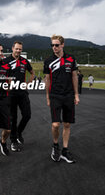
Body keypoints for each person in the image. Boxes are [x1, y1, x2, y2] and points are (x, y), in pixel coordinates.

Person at [44, 34, 80, 163]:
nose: (54, 47)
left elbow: (74, 77)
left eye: (56, 45)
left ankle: (65, 150)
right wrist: (47, 97)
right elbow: (47, 80)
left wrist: (76, 94)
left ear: (62, 45)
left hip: (69, 95)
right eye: (52, 45)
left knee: (67, 124)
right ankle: (55, 146)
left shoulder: (71, 59)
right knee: (55, 124)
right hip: (55, 95)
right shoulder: (48, 61)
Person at [3, 41, 35, 152]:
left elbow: (32, 73)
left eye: (20, 49)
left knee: (27, 115)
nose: (18, 51)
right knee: (13, 118)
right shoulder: (5, 61)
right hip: (10, 94)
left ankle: (18, 132)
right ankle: (13, 141)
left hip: (22, 92)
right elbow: (1, 75)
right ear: (12, 48)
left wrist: (28, 83)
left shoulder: (24, 61)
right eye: (16, 48)